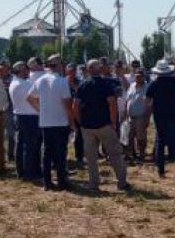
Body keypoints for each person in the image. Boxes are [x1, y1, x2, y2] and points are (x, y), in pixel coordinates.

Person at [72, 59, 132, 192]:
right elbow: (112, 104)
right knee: (115, 154)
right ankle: (122, 182)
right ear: (101, 69)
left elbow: (75, 106)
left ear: (88, 70)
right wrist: (113, 122)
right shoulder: (106, 84)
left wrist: (80, 122)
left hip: (87, 126)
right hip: (104, 124)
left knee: (91, 157)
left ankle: (94, 184)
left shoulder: (83, 85)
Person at [27, 55, 74, 191]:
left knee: (47, 153)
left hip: (45, 122)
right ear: (58, 65)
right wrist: (71, 122)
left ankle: (47, 182)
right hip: (60, 121)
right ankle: (61, 181)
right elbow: (67, 104)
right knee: (60, 153)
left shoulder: (40, 80)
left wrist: (40, 110)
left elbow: (30, 98)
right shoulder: (61, 82)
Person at [145, 59, 175, 178]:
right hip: (174, 115)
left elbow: (147, 101)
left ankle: (161, 171)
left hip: (159, 116)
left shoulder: (153, 84)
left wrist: (152, 107)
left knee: (160, 142)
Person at [9, 61, 41, 180]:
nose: (27, 71)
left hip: (20, 115)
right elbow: (35, 98)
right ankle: (30, 172)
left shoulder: (15, 83)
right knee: (31, 146)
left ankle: (22, 171)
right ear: (20, 71)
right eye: (25, 69)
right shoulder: (24, 84)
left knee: (21, 145)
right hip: (29, 117)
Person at [124, 69, 150, 162]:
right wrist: (125, 113)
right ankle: (132, 154)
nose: (137, 77)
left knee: (141, 137)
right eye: (136, 76)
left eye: (140, 76)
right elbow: (128, 100)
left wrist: (147, 118)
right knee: (130, 136)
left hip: (141, 116)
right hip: (131, 117)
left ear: (143, 76)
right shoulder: (131, 86)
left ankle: (142, 154)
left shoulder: (147, 87)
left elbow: (149, 104)